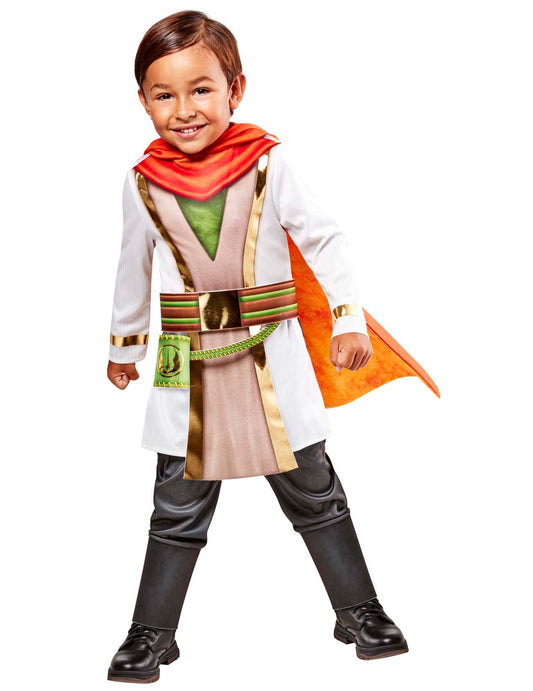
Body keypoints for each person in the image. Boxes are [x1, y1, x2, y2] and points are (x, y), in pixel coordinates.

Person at [106, 10, 418, 684]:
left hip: (270, 347)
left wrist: (347, 318)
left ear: (235, 89)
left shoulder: (269, 163)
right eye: (164, 94)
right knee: (176, 499)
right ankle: (151, 631)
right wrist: (125, 345)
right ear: (143, 102)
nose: (184, 109)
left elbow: (324, 238)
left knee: (314, 489)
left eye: (201, 89)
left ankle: (358, 610)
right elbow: (132, 266)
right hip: (181, 355)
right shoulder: (141, 182)